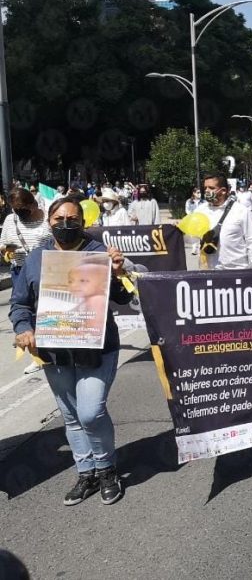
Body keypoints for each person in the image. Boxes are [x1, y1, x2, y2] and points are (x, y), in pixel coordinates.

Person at [10, 197, 133, 505]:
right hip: (55, 351)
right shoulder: (36, 259)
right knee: (71, 416)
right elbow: (20, 303)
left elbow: (121, 298)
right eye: (59, 219)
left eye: (72, 219)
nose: (66, 225)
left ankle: (107, 469)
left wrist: (118, 272)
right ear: (49, 222)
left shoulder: (98, 254)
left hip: (97, 348)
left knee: (90, 412)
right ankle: (86, 471)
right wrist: (23, 328)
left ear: (83, 222)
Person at [196, 174, 252, 270]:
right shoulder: (200, 211)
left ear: (223, 191)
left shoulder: (240, 211)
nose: (206, 191)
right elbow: (192, 238)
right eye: (205, 188)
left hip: (236, 271)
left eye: (211, 188)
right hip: (209, 270)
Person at [0, 188, 51, 291]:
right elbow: (2, 245)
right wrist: (6, 250)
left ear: (32, 204)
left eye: (22, 209)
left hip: (44, 271)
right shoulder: (10, 220)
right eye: (15, 209)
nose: (18, 212)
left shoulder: (48, 219)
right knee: (20, 304)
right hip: (19, 272)